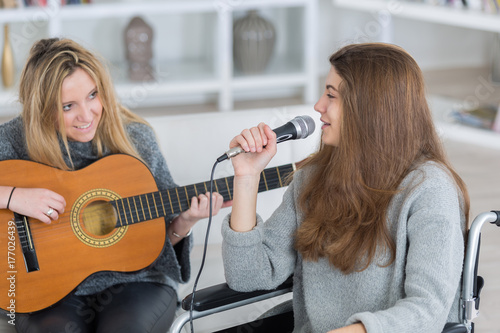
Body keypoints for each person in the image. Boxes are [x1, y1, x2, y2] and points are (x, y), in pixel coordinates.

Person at [222, 43, 470, 333]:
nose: (318, 106)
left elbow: (427, 310)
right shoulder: (312, 179)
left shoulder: (429, 189)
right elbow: (248, 276)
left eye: (330, 95)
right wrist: (247, 177)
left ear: (369, 107)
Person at [0, 38, 225, 333]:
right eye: (67, 106)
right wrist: (13, 196)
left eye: (93, 95)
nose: (87, 114)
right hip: (49, 289)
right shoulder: (14, 139)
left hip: (137, 283)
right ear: (40, 109)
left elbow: (155, 247)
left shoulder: (136, 139)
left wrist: (184, 222)